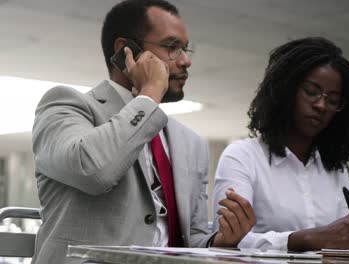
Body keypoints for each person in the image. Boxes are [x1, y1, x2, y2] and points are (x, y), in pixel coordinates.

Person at [31, 1, 255, 263]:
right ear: (126, 50)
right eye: (172, 47)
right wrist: (150, 95)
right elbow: (93, 170)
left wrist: (220, 241)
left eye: (185, 48)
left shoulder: (191, 143)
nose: (186, 61)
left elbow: (190, 237)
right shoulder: (64, 105)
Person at [212, 37, 349, 251]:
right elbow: (226, 240)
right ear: (286, 89)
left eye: (333, 100)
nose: (321, 105)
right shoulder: (242, 156)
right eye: (311, 92)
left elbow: (340, 239)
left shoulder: (336, 169)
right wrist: (305, 239)